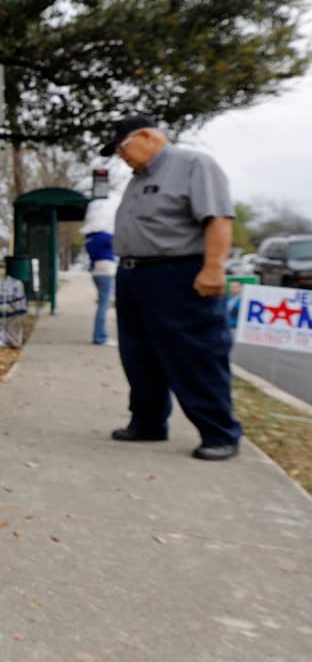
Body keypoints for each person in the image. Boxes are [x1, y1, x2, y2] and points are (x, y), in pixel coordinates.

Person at [100, 114, 242, 461]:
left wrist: (213, 268)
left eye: (122, 147)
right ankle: (148, 422)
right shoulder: (138, 178)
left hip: (178, 274)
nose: (121, 156)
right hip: (134, 276)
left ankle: (219, 432)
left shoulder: (193, 164)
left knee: (195, 355)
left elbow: (218, 218)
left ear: (146, 136)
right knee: (138, 356)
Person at [81, 198, 117, 345]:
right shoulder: (105, 237)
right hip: (106, 270)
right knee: (104, 305)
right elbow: (121, 245)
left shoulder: (90, 239)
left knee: (102, 304)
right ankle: (100, 337)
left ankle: (100, 335)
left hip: (96, 271)